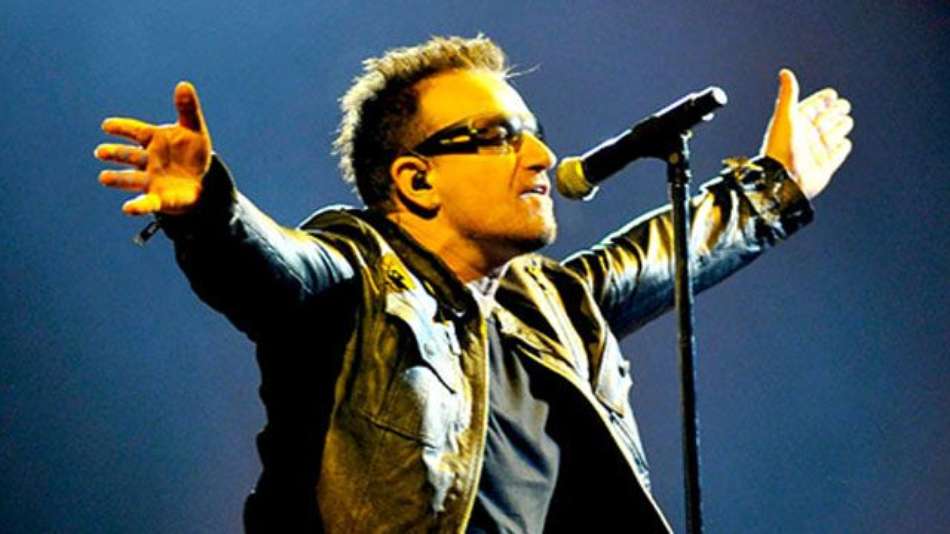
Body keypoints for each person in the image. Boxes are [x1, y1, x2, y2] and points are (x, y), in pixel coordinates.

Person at [94, 35, 853, 533]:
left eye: (535, 134)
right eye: (498, 137)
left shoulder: (549, 305)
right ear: (416, 180)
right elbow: (276, 268)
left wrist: (777, 184)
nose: (540, 157)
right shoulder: (357, 279)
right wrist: (209, 210)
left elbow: (663, 255)